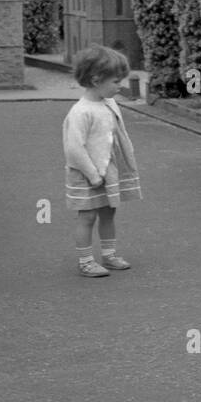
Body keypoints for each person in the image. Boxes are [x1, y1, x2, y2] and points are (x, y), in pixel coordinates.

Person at [63, 45, 143, 278]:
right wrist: (92, 174)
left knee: (109, 212)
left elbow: (117, 133)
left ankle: (109, 255)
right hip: (86, 172)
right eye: (116, 82)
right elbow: (74, 148)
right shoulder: (81, 112)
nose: (120, 86)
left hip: (107, 168)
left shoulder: (109, 103)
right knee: (87, 216)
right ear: (96, 79)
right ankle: (86, 261)